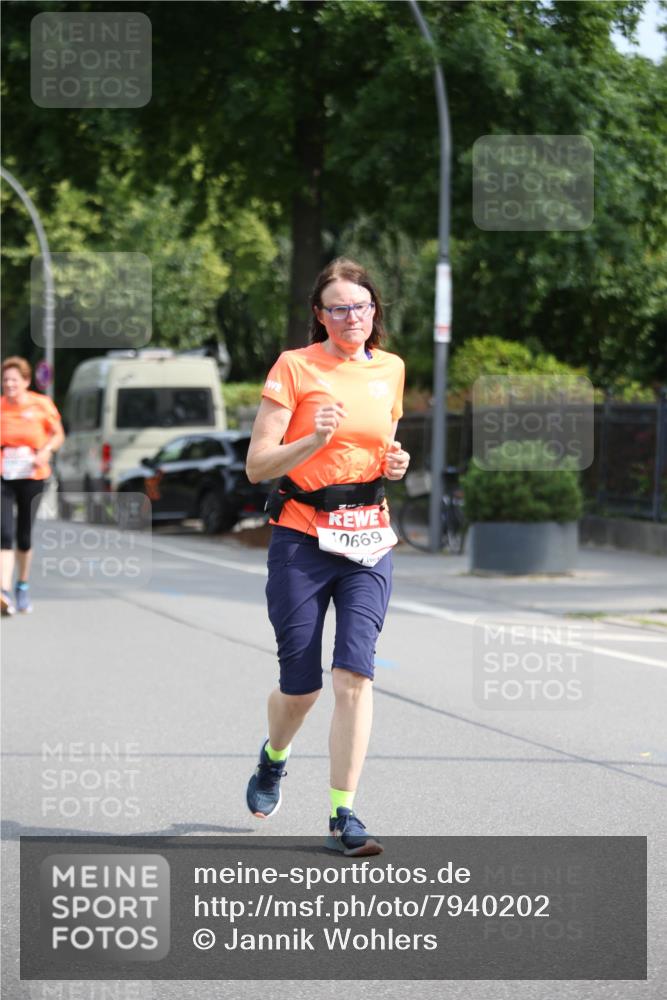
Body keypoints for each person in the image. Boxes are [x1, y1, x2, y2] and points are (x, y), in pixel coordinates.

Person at [244, 258, 410, 856]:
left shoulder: (390, 369)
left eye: (360, 307)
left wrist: (396, 464)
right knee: (301, 686)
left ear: (374, 312)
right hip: (302, 535)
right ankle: (274, 757)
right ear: (320, 315)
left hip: (368, 537)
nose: (350, 317)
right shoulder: (294, 367)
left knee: (353, 676)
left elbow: (383, 444)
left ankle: (344, 814)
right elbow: (257, 464)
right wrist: (312, 438)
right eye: (337, 308)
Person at [1, 356, 65, 615]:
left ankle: (22, 585)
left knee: (24, 536)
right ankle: (3, 590)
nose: (9, 384)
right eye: (5, 380)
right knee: (3, 533)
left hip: (33, 475)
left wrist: (46, 450)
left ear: (26, 381)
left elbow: (58, 434)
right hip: (4, 475)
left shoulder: (41, 405)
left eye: (14, 380)